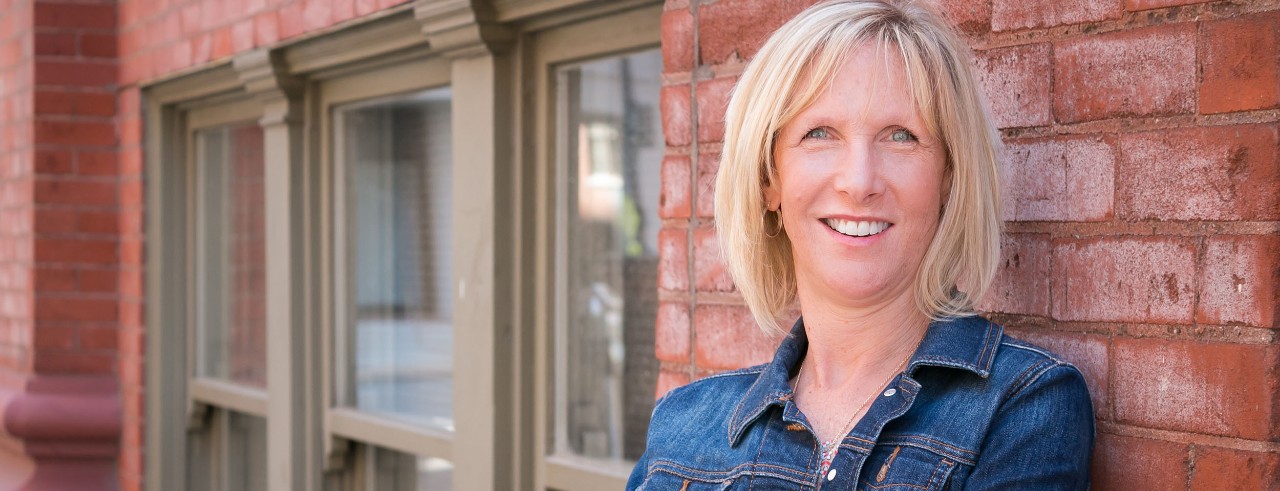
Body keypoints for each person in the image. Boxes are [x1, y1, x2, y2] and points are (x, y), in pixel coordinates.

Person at [626, 0, 1094, 489]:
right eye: (820, 133)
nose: (859, 181)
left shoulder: (1021, 405)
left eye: (900, 136)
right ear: (770, 180)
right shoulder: (681, 427)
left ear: (949, 181)